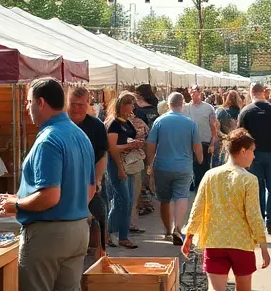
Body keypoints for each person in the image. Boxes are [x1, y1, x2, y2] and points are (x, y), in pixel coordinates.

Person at [0, 77, 93, 291]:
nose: (26, 109)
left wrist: (16, 204)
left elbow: (50, 195)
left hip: (48, 230)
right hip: (78, 226)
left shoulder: (49, 140)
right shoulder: (79, 135)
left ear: (40, 102)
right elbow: (90, 188)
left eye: (28, 102)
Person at [181, 129, 271, 291]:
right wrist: (263, 246)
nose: (254, 156)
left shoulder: (211, 175)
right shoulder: (248, 179)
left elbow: (198, 205)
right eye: (253, 151)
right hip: (241, 244)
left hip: (215, 241)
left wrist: (189, 235)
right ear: (243, 151)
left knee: (214, 290)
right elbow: (254, 215)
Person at [147, 91, 202, 246]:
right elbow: (196, 145)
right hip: (183, 167)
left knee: (164, 199)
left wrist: (149, 163)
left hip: (162, 166)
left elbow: (151, 144)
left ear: (168, 104)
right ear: (182, 104)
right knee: (181, 197)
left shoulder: (159, 121)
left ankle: (168, 230)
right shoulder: (190, 123)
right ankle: (178, 228)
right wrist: (200, 158)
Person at [239, 82, 271, 234]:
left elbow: (241, 134)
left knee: (257, 187)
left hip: (253, 154)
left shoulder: (246, 111)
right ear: (263, 93)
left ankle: (258, 220)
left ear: (251, 92)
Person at [68, 87, 110, 255]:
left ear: (88, 104)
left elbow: (101, 155)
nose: (76, 108)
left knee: (98, 217)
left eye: (81, 104)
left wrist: (97, 181)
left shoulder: (96, 126)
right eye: (73, 104)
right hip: (67, 183)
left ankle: (101, 253)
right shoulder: (61, 124)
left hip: (90, 180)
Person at [103, 92, 143, 249]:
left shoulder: (125, 121)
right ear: (123, 106)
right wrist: (130, 145)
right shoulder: (114, 123)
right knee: (123, 201)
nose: (133, 107)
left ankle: (122, 236)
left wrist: (133, 142)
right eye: (131, 104)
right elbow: (112, 148)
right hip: (118, 164)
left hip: (128, 164)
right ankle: (110, 233)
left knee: (127, 201)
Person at [186, 86, 219, 193]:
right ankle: (194, 184)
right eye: (191, 92)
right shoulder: (185, 108)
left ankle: (203, 186)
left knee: (203, 165)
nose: (193, 94)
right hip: (190, 142)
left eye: (195, 92)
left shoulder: (208, 108)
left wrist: (212, 143)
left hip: (205, 141)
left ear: (200, 93)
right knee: (192, 165)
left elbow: (213, 126)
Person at [214, 90, 242, 167]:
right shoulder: (241, 112)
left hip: (223, 141)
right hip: (237, 141)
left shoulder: (221, 112)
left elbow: (216, 127)